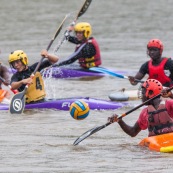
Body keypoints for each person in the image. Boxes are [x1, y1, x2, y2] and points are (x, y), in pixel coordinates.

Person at [107, 79, 173, 137]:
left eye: (143, 92)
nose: (141, 96)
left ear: (150, 93)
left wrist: (171, 95)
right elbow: (133, 132)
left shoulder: (169, 104)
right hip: (157, 143)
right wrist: (120, 121)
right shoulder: (145, 112)